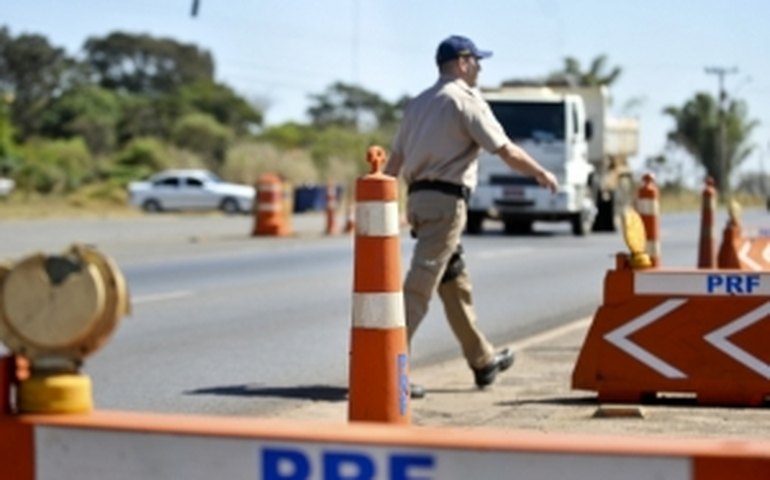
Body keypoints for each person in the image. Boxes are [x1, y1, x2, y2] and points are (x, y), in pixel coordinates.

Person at [384, 35, 559, 399]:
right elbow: (505, 149)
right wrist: (540, 172)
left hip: (419, 201)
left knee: (455, 282)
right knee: (420, 285)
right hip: (446, 204)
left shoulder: (417, 104)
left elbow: (394, 163)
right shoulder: (465, 100)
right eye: (477, 61)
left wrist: (382, 203)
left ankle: (483, 361)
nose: (480, 67)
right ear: (463, 62)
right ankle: (388, 367)